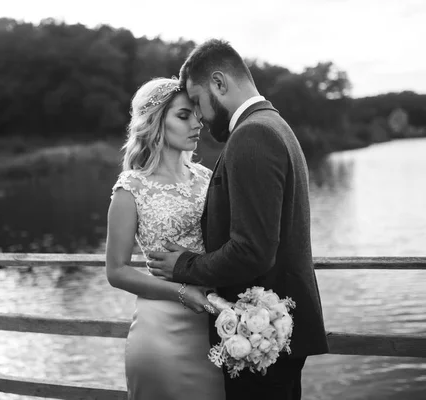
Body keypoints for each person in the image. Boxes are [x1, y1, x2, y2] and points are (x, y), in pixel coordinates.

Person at [146, 40, 330, 400]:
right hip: (276, 333)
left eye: (197, 102)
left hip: (262, 334)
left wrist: (183, 265)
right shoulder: (273, 124)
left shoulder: (252, 135)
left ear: (219, 83)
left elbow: (252, 251)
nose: (199, 116)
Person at [105, 77, 225, 400]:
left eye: (196, 114)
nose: (196, 123)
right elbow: (116, 271)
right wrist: (182, 292)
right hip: (159, 332)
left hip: (212, 328)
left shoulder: (206, 177)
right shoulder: (131, 188)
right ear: (157, 122)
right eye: (183, 116)